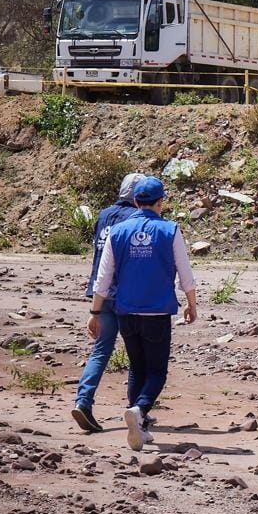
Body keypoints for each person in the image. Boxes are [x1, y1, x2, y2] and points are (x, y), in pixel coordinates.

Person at [89, 177, 197, 451]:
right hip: (157, 310)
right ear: (160, 202)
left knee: (137, 367)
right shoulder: (170, 230)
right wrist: (191, 303)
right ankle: (139, 411)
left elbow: (103, 278)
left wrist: (95, 311)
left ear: (135, 201)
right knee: (157, 370)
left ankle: (141, 426)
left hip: (126, 310)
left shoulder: (118, 231)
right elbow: (185, 272)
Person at [72, 171, 145, 433]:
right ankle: (138, 409)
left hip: (100, 292)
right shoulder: (136, 218)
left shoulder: (104, 215)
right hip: (125, 294)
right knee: (138, 353)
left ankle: (83, 400)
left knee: (101, 350)